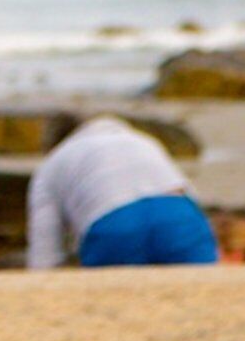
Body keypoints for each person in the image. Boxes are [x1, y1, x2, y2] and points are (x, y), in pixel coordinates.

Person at [26, 114, 222, 268]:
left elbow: (45, 253)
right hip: (179, 215)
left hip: (114, 223)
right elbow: (187, 191)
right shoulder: (142, 140)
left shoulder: (52, 165)